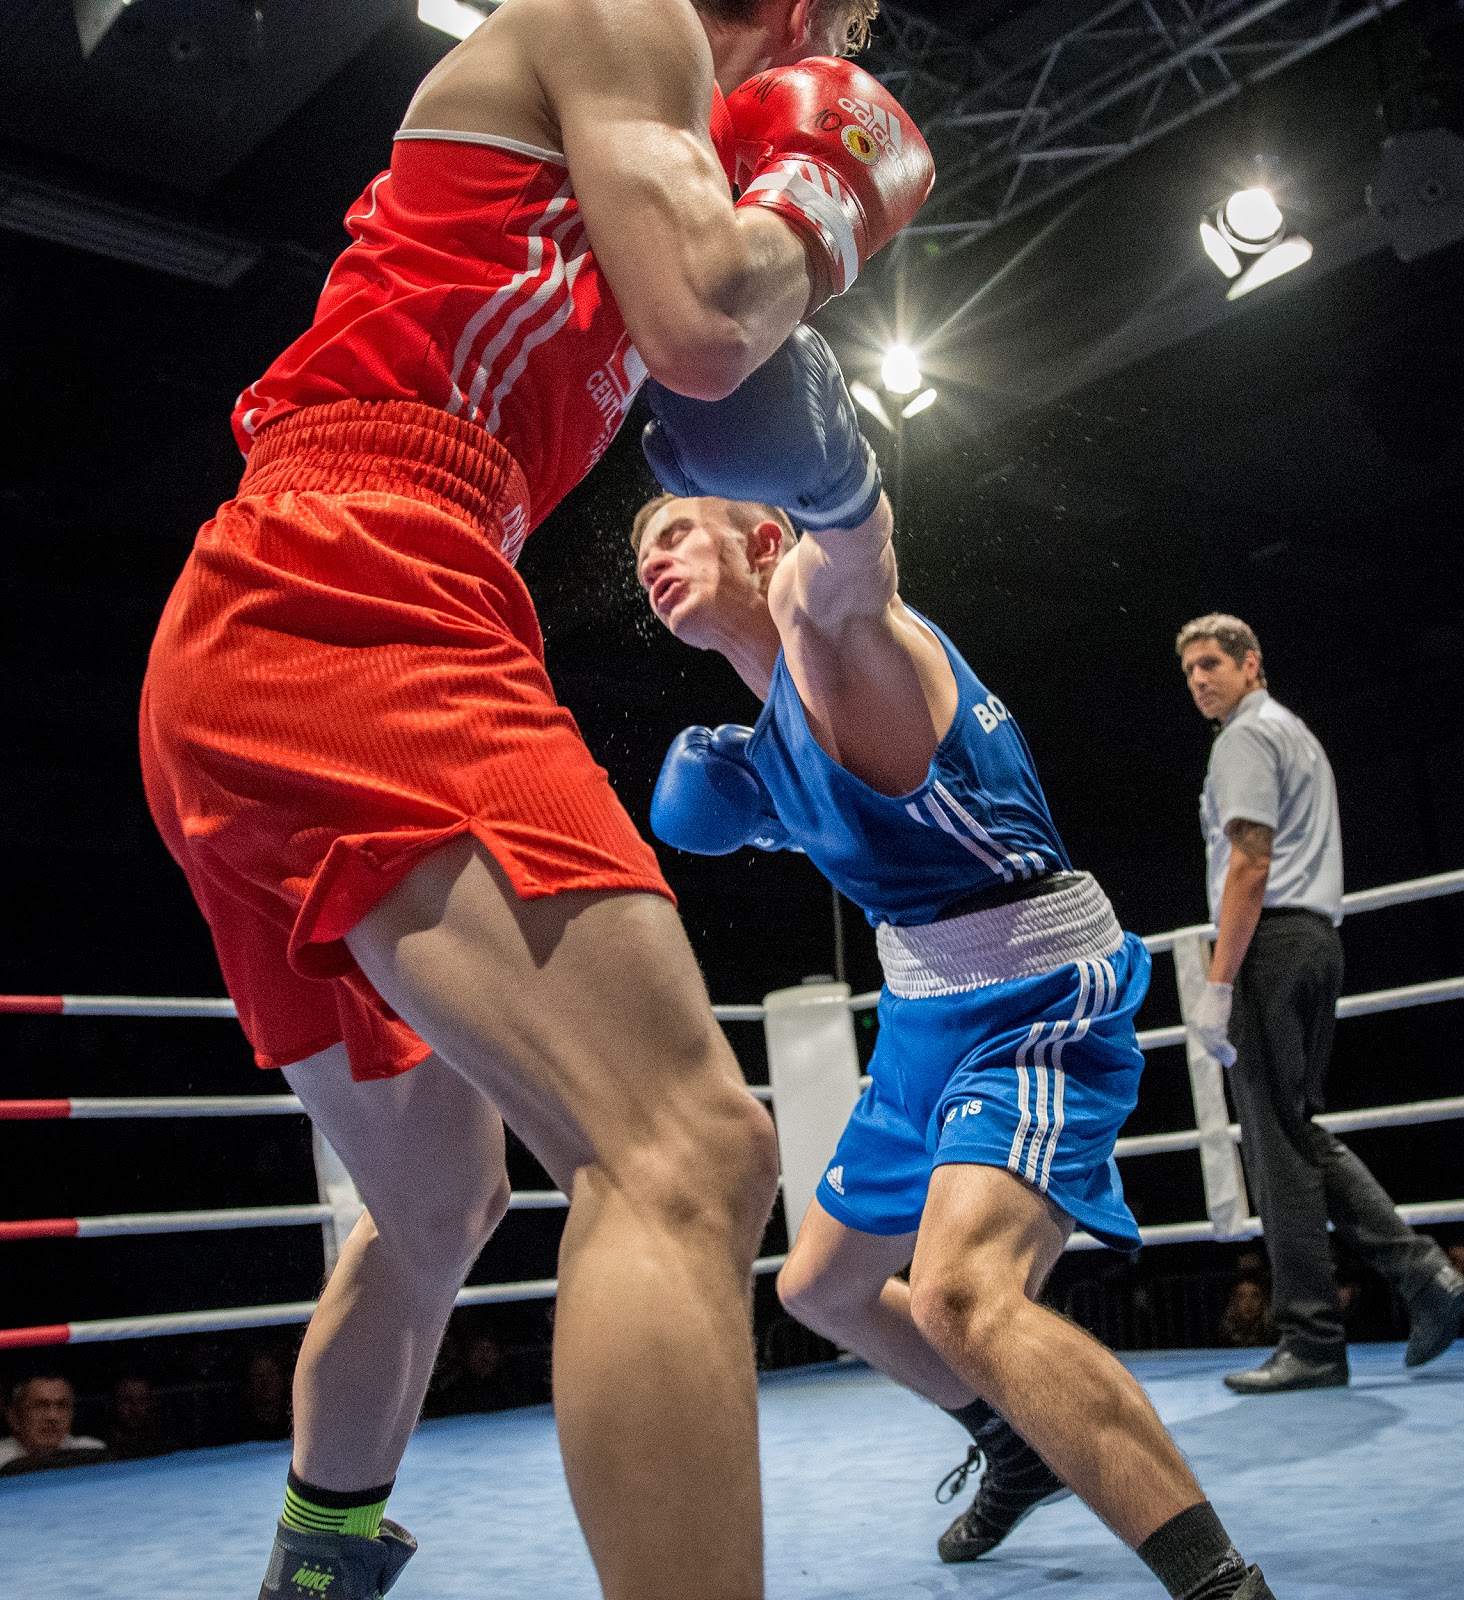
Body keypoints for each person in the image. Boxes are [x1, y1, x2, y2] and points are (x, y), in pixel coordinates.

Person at [137, 1, 933, 1594]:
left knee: (439, 1200)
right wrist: (829, 204)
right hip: (362, 566)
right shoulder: (621, 17)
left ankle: (321, 1559)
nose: (830, 30)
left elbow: (698, 363)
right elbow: (712, 327)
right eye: (833, 11)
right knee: (692, 1153)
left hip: (274, 610)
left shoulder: (653, 144)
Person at [629, 328, 1277, 1598]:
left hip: (1034, 998)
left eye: (678, 529)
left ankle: (1218, 1582)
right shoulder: (757, 743)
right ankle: (1008, 1441)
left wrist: (832, 480)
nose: (650, 552)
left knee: (961, 1298)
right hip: (926, 1014)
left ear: (762, 537)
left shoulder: (825, 617)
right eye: (640, 544)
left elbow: (854, 563)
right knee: (822, 1285)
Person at [1175, 616, 1464, 1392]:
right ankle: (1420, 1276)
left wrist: (1216, 982)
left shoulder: (1244, 737)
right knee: (1292, 1133)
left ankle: (1313, 1338)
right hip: (1314, 942)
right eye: (1190, 671)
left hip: (1269, 945)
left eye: (1211, 664)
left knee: (1276, 1149)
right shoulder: (1294, 732)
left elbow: (1250, 861)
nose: (1200, 680)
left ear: (1251, 665)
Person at [0, 1374, 106, 1474]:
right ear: (14, 1417)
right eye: (40, 1406)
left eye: (62, 1405)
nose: (52, 1417)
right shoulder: (2, 1460)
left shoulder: (94, 1454)